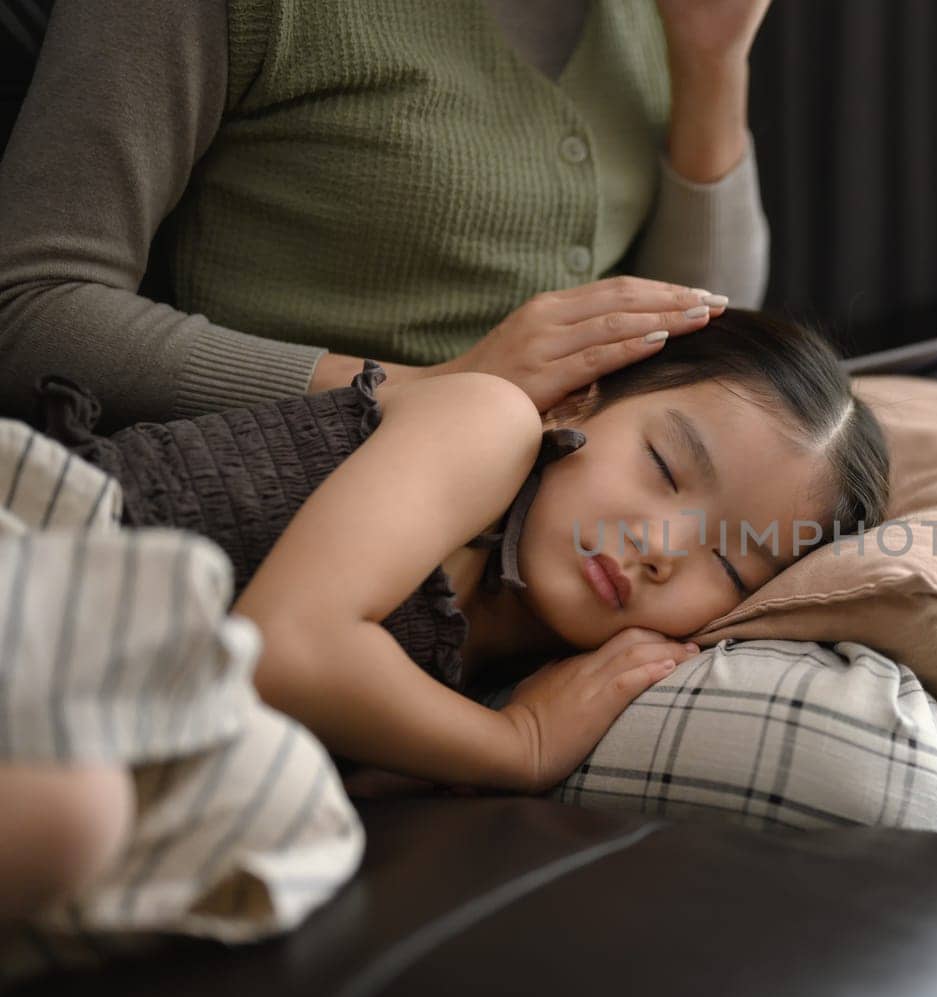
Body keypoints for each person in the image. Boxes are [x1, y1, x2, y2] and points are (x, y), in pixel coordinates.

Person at [0, 301, 891, 925]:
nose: (660, 544)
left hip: (118, 684)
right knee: (75, 813)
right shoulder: (488, 423)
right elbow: (286, 646)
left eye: (729, 558)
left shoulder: (530, 660)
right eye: (662, 465)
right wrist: (520, 747)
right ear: (582, 400)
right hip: (55, 548)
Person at [0, 0, 773, 427]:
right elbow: (30, 309)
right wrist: (420, 389)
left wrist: (712, 59)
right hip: (296, 540)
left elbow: (711, 335)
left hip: (571, 553)